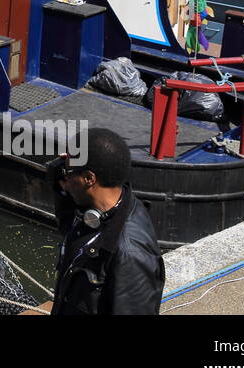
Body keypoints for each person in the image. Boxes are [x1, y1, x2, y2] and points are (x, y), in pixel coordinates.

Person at [48, 128, 164, 315]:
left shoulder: (130, 255)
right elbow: (67, 225)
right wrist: (59, 174)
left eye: (67, 171)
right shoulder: (99, 209)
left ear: (88, 179)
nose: (64, 178)